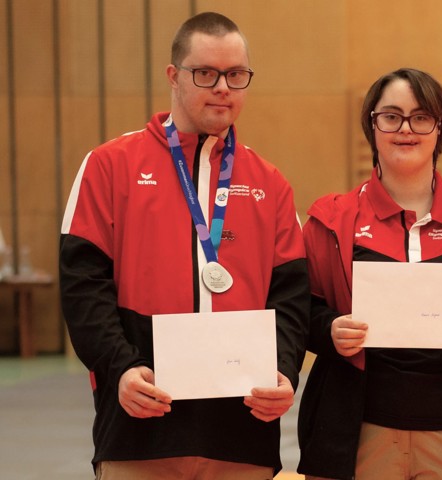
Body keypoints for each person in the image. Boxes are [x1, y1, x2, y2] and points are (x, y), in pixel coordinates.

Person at [59, 12, 309, 479]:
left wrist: (285, 372)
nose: (222, 87)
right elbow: (83, 285)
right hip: (140, 427)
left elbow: (291, 297)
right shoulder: (109, 165)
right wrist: (121, 368)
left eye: (236, 75)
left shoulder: (269, 183)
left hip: (243, 436)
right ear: (174, 77)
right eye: (206, 73)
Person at [296, 68, 442, 480]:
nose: (406, 129)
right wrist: (328, 329)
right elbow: (300, 312)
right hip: (357, 432)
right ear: (372, 124)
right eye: (391, 116)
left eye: (421, 117)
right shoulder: (329, 222)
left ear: (440, 128)